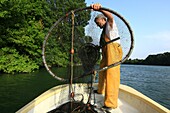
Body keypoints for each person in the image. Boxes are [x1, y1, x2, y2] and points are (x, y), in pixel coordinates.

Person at [91, 3, 123, 112]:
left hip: (113, 51)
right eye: (96, 23)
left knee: (111, 75)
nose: (97, 25)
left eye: (98, 22)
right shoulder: (103, 30)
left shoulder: (110, 25)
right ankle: (101, 90)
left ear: (103, 19)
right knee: (102, 71)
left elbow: (111, 16)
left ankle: (111, 103)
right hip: (106, 52)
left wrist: (100, 8)